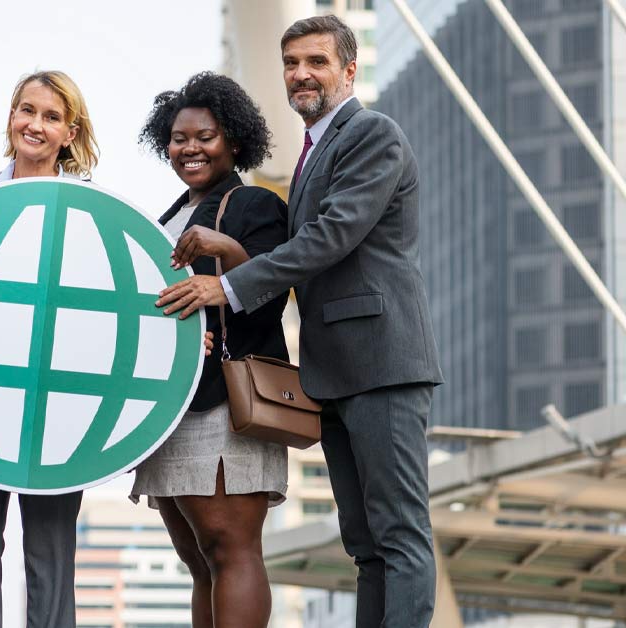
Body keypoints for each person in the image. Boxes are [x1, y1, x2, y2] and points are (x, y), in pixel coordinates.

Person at [157, 15, 444, 628]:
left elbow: (330, 237)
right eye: (291, 64)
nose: (301, 74)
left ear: (348, 68)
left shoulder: (373, 135)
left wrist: (228, 284)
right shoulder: (315, 151)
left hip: (382, 361)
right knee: (364, 544)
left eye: (316, 61)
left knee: (399, 534)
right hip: (331, 370)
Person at [130, 72, 289, 628]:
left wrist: (226, 252)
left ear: (235, 142)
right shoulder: (164, 219)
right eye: (178, 138)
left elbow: (272, 296)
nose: (189, 148)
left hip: (225, 404)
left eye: (205, 137)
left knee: (230, 550)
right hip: (172, 407)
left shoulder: (253, 205)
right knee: (200, 562)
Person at [0, 70, 98, 628]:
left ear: (70, 132)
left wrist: (175, 341)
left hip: (59, 408)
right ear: (11, 115)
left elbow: (107, 308)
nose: (35, 125)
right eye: (26, 110)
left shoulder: (89, 210)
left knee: (52, 548)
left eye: (51, 116)